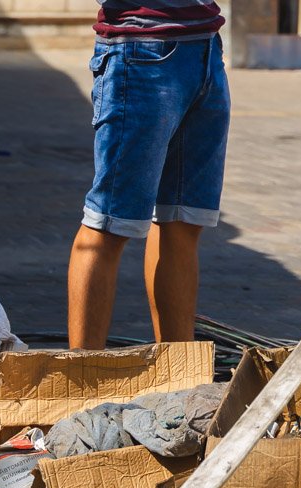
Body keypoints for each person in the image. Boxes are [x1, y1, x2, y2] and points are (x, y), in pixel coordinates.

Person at [66, 0, 230, 349]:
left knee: (182, 219)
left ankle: (179, 376)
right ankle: (80, 380)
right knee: (109, 222)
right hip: (140, 53)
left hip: (205, 47)